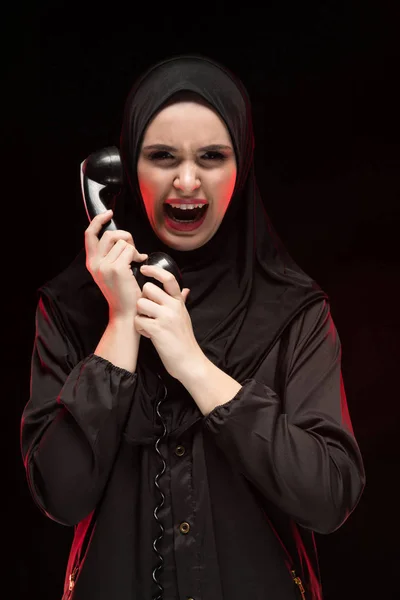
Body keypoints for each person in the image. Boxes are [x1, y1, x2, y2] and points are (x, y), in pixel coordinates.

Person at [20, 54, 365, 600]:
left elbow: (328, 497)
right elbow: (61, 495)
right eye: (161, 156)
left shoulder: (296, 311)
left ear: (241, 166)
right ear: (124, 168)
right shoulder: (68, 308)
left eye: (212, 156)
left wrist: (196, 369)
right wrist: (120, 323)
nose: (186, 180)